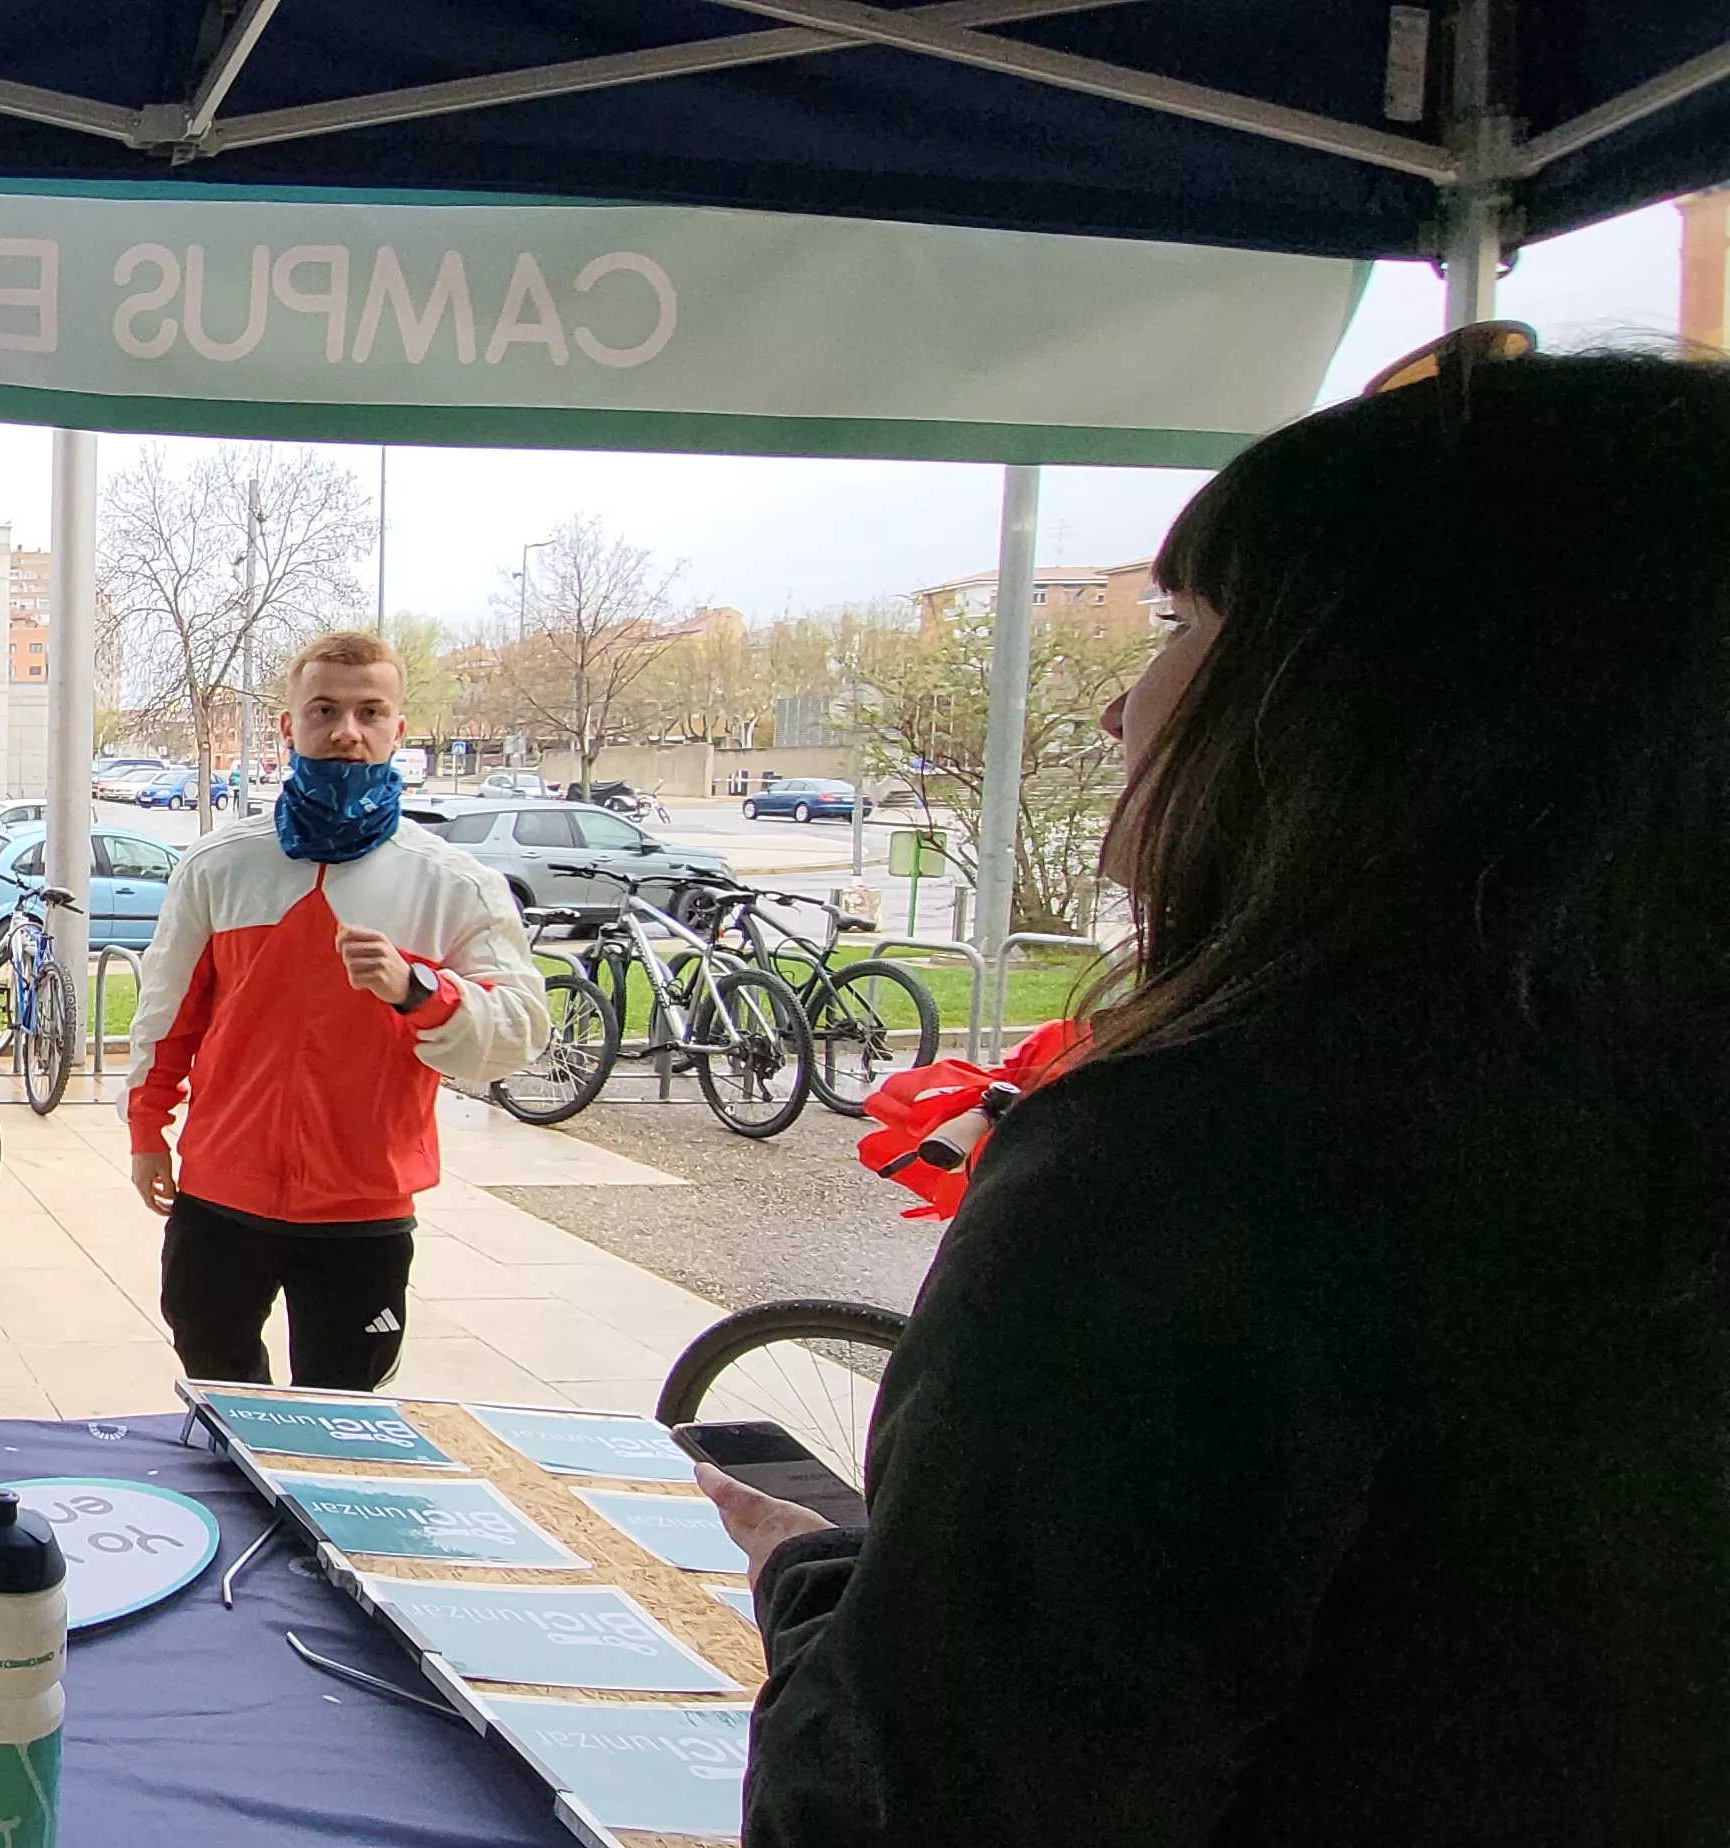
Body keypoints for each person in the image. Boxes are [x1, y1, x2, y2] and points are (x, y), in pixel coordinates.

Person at [707, 336, 1730, 1841]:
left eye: (1181, 624)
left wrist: (821, 1605)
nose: (1122, 716)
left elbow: (929, 1796)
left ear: (1370, 694)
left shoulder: (1213, 1161)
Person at [123, 630, 550, 1388]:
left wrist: (418, 993)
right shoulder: (221, 864)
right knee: (220, 1393)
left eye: (369, 712)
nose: (346, 732)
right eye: (324, 710)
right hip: (221, 1197)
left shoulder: (454, 884)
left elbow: (518, 1033)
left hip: (362, 1209)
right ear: (289, 726)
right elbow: (167, 1013)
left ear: (398, 730)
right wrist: (147, 1129)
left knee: (343, 1422)